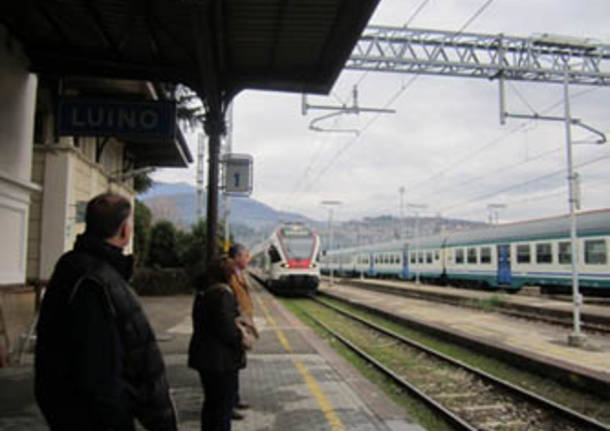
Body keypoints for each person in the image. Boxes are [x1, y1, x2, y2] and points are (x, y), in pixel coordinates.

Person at [34, 193, 177, 431]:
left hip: (63, 407)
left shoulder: (69, 266)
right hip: (96, 418)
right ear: (124, 231)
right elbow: (105, 371)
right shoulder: (100, 282)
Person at [188, 258, 245, 431]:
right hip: (220, 361)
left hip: (206, 357)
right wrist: (241, 336)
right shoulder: (221, 294)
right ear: (228, 275)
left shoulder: (204, 292)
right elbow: (226, 329)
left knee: (211, 405)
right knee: (221, 409)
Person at [227, 243, 258, 419]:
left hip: (242, 324)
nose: (249, 259)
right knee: (231, 366)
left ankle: (235, 398)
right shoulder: (231, 276)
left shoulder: (240, 274)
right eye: (246, 256)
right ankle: (229, 404)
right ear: (237, 258)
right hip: (236, 325)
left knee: (236, 364)